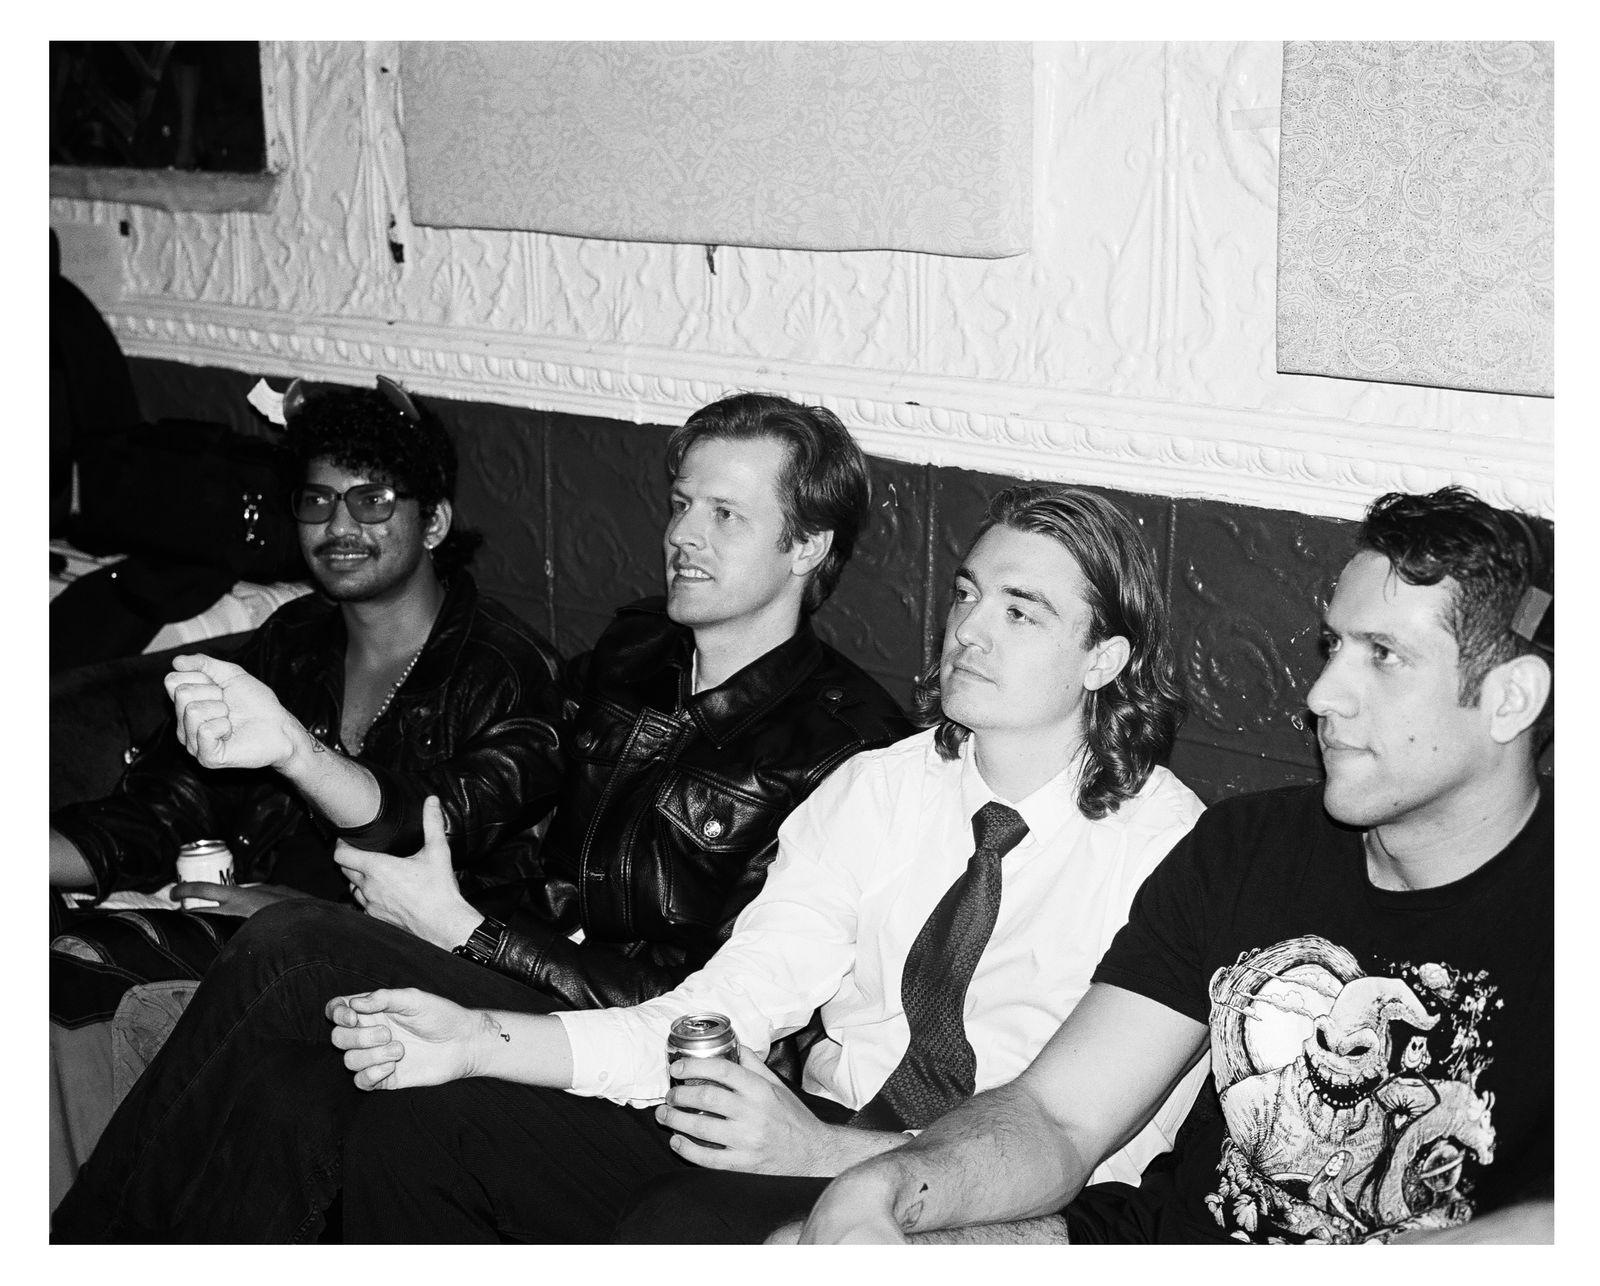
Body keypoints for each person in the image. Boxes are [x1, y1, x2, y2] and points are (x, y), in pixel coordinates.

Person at [51, 390, 910, 1241]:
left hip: (643, 1066)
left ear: (808, 545)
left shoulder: (846, 750)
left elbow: (710, 1014)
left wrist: (467, 932)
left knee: (293, 946)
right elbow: (465, 798)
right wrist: (298, 754)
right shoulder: (637, 649)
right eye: (682, 503)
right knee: (295, 1087)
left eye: (726, 515)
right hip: (516, 981)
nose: (683, 534)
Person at [303, 482, 1209, 1246]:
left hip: (1009, 1201)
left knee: (681, 1225)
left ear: (1104, 659)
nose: (969, 629)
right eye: (966, 595)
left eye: (1020, 612)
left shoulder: (1173, 851)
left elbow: (1102, 1145)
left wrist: (827, 1154)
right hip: (813, 1132)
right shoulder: (879, 789)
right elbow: (728, 1003)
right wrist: (478, 1039)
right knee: (427, 1124)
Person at [793, 486, 1554, 1246]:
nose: (1323, 695)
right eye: (1333, 647)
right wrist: (888, 1186)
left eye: (1384, 657)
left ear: (1511, 699)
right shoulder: (1247, 848)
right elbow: (1059, 1118)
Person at [48, 377, 565, 1206]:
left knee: (83, 998)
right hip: (237, 928)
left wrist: (303, 874)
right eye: (318, 501)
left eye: (372, 500)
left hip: (408, 972)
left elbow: (436, 837)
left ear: (434, 523)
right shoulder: (292, 643)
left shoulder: (505, 671)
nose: (339, 526)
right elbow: (162, 809)